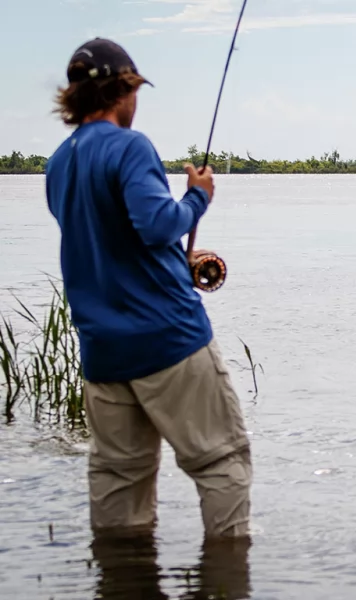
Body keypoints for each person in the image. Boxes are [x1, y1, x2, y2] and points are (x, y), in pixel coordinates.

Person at [44, 37, 252, 539]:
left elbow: (112, 244)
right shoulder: (130, 146)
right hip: (168, 340)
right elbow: (157, 225)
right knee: (221, 461)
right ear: (123, 90)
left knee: (119, 484)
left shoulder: (58, 162)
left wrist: (177, 260)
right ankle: (227, 571)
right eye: (135, 91)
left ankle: (123, 573)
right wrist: (197, 198)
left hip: (103, 354)